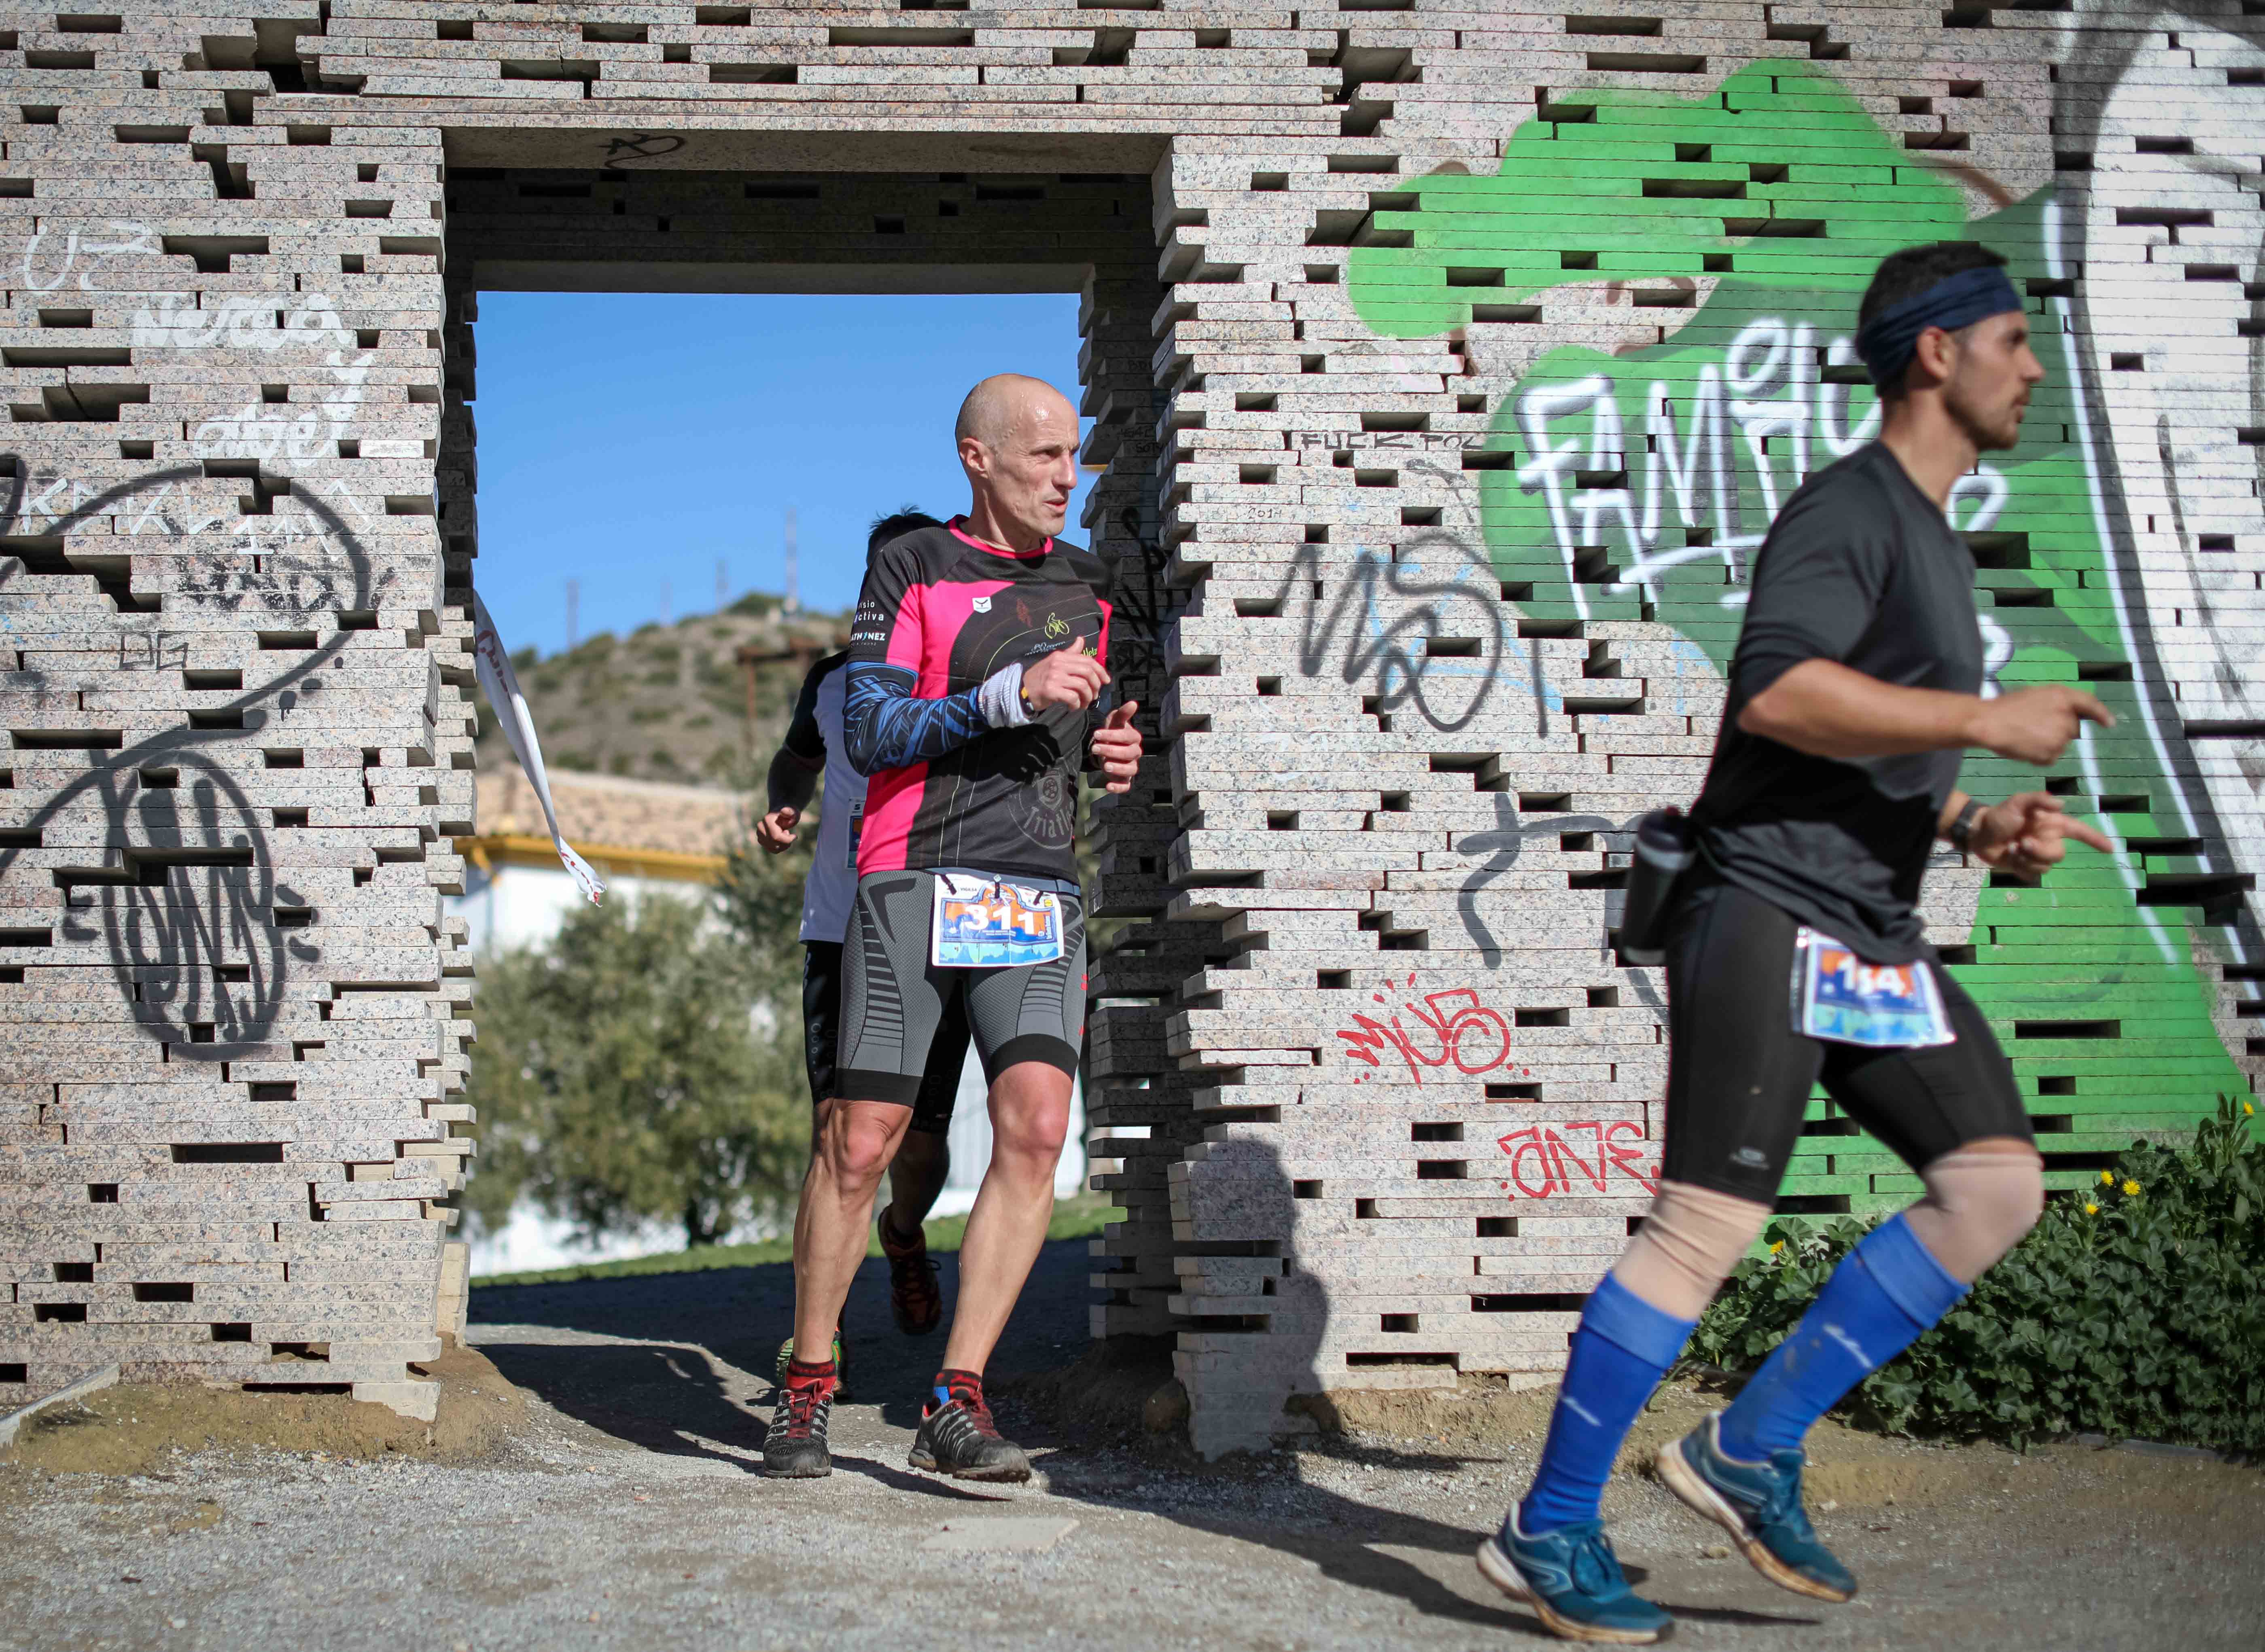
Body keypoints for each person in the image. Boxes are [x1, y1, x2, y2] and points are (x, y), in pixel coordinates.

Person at [1476, 241, 2118, 1643]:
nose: (2028, 366)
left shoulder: (1933, 539)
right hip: (1762, 906)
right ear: (1935, 351)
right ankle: (1546, 1525)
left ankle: (1743, 1448)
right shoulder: (1851, 507)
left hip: (1868, 924)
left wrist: (1968, 823)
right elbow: (1775, 695)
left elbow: (1860, 744)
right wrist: (1977, 720)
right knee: (1703, 1221)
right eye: (2009, 339)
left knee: (1992, 1185)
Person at [763, 374, 1143, 1482]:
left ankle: (955, 1394)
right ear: (976, 458)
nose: (1065, 478)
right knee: (861, 1141)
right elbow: (873, 727)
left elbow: (1083, 740)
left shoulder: (1086, 587)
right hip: (911, 875)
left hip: (1034, 892)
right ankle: (806, 1386)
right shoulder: (914, 564)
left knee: (1031, 1133)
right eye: (1042, 458)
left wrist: (1111, 756)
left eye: (1073, 456)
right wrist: (1005, 694)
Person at [756, 509, 962, 1396]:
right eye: (883, 575)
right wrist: (782, 805)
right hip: (842, 926)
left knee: (919, 1141)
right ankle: (820, 1331)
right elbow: (795, 759)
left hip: (943, 925)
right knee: (835, 1137)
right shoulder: (835, 679)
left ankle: (905, 1233)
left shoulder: (975, 669)